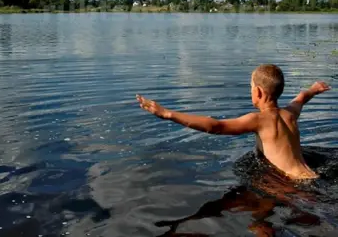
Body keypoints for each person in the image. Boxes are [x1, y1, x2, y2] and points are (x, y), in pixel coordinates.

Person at [136, 64, 331, 180]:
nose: (250, 91)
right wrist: (314, 88)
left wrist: (168, 113)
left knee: (260, 222)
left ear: (258, 92)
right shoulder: (290, 113)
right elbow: (301, 98)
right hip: (312, 176)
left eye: (250, 87)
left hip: (292, 184)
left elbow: (216, 126)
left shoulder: (258, 120)